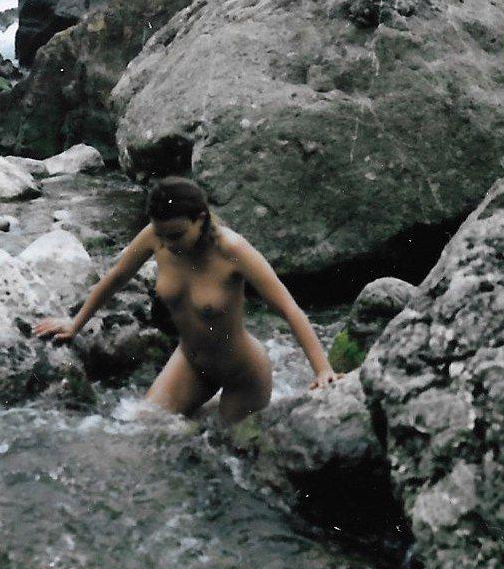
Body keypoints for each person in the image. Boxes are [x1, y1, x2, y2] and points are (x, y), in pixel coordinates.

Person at [33, 176, 342, 424]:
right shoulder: (156, 235)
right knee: (143, 428)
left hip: (242, 374)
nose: (167, 243)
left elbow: (288, 308)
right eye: (161, 234)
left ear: (201, 219)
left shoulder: (233, 249)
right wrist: (75, 323)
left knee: (223, 455)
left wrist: (322, 370)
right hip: (191, 363)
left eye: (177, 235)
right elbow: (116, 277)